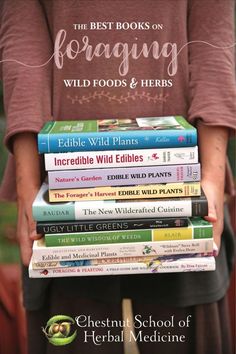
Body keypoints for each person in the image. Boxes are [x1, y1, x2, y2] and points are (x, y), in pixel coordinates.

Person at [0, 1, 235, 353]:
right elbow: (25, 44)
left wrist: (212, 181)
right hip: (61, 188)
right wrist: (28, 186)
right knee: (72, 335)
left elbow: (212, 40)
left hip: (183, 189)